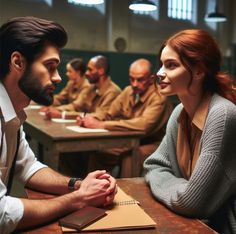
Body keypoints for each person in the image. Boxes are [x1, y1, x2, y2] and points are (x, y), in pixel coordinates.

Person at [0, 16, 116, 233]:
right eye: (49, 66)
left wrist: (80, 185)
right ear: (17, 62)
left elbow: (28, 167)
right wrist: (78, 199)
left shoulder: (12, 114)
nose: (57, 78)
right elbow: (1, 214)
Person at [143, 29, 236, 233]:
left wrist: (177, 189)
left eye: (171, 65)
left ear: (199, 71)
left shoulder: (222, 114)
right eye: (161, 64)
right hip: (189, 221)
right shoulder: (180, 112)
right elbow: (153, 165)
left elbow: (192, 202)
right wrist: (182, 189)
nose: (159, 73)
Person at [77, 58, 173, 177]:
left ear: (151, 79)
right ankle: (95, 188)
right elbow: (109, 112)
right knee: (100, 152)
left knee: (131, 154)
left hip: (154, 143)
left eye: (140, 79)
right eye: (131, 79)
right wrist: (88, 118)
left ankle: (126, 192)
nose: (134, 84)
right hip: (129, 140)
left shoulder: (159, 96)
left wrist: (100, 124)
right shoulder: (128, 91)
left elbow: (143, 126)